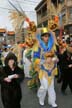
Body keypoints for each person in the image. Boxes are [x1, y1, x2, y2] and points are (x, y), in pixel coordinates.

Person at [34, 28, 58, 108]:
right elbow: (34, 58)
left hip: (51, 69)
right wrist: (43, 62)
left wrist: (55, 59)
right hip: (42, 69)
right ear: (41, 37)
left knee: (51, 86)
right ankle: (41, 98)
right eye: (45, 36)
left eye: (48, 36)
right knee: (44, 86)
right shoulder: (38, 46)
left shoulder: (52, 45)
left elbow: (55, 56)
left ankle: (52, 101)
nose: (46, 38)